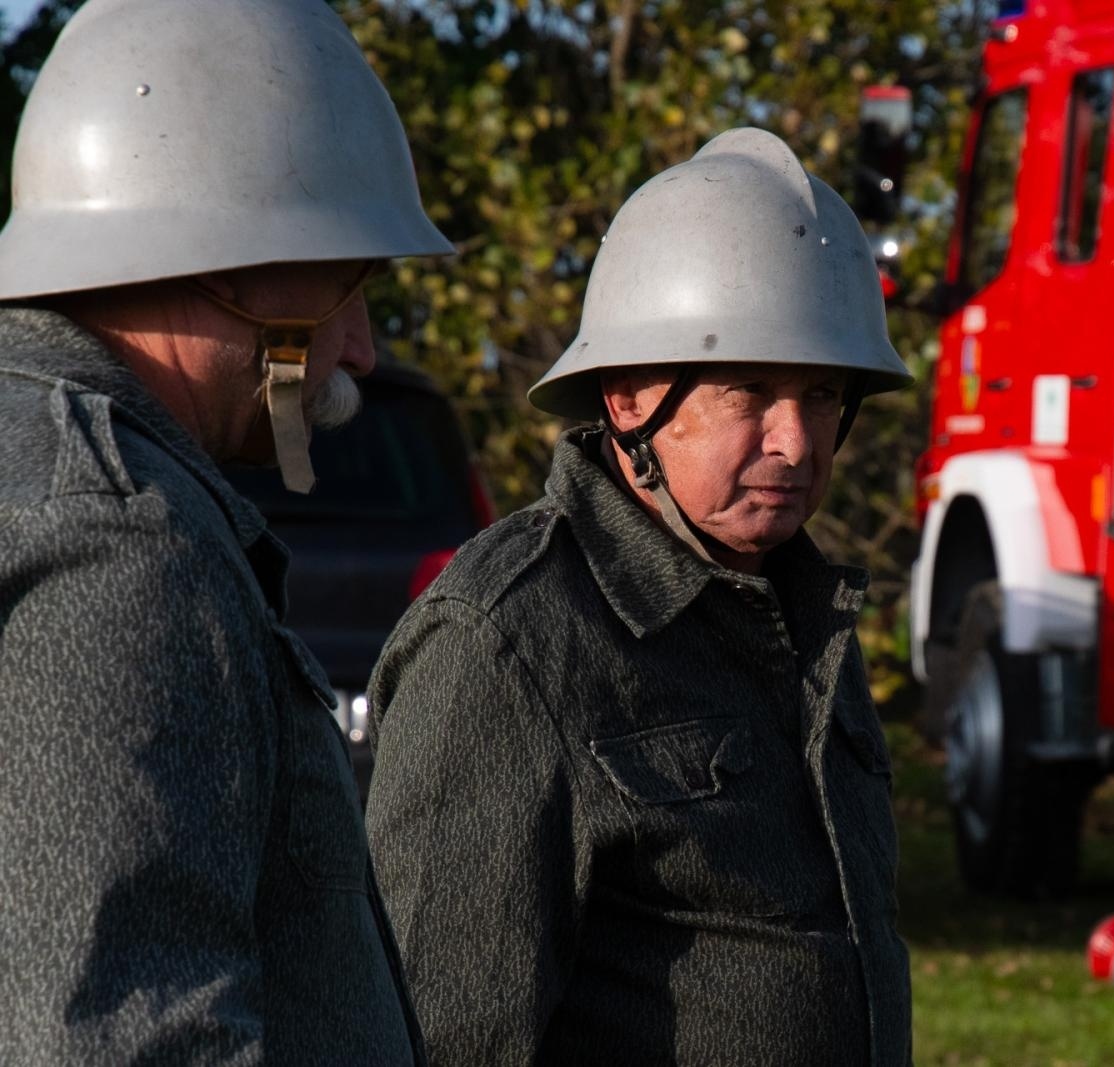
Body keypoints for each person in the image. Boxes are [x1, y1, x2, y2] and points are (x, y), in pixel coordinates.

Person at [365, 127, 915, 1065]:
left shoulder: (804, 612)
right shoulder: (506, 642)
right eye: (749, 389)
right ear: (627, 398)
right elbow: (432, 1035)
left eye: (822, 395)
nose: (794, 440)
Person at [0, 0, 453, 1062]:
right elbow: (128, 1034)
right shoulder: (115, 538)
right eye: (350, 286)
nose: (361, 346)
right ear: (233, 257)